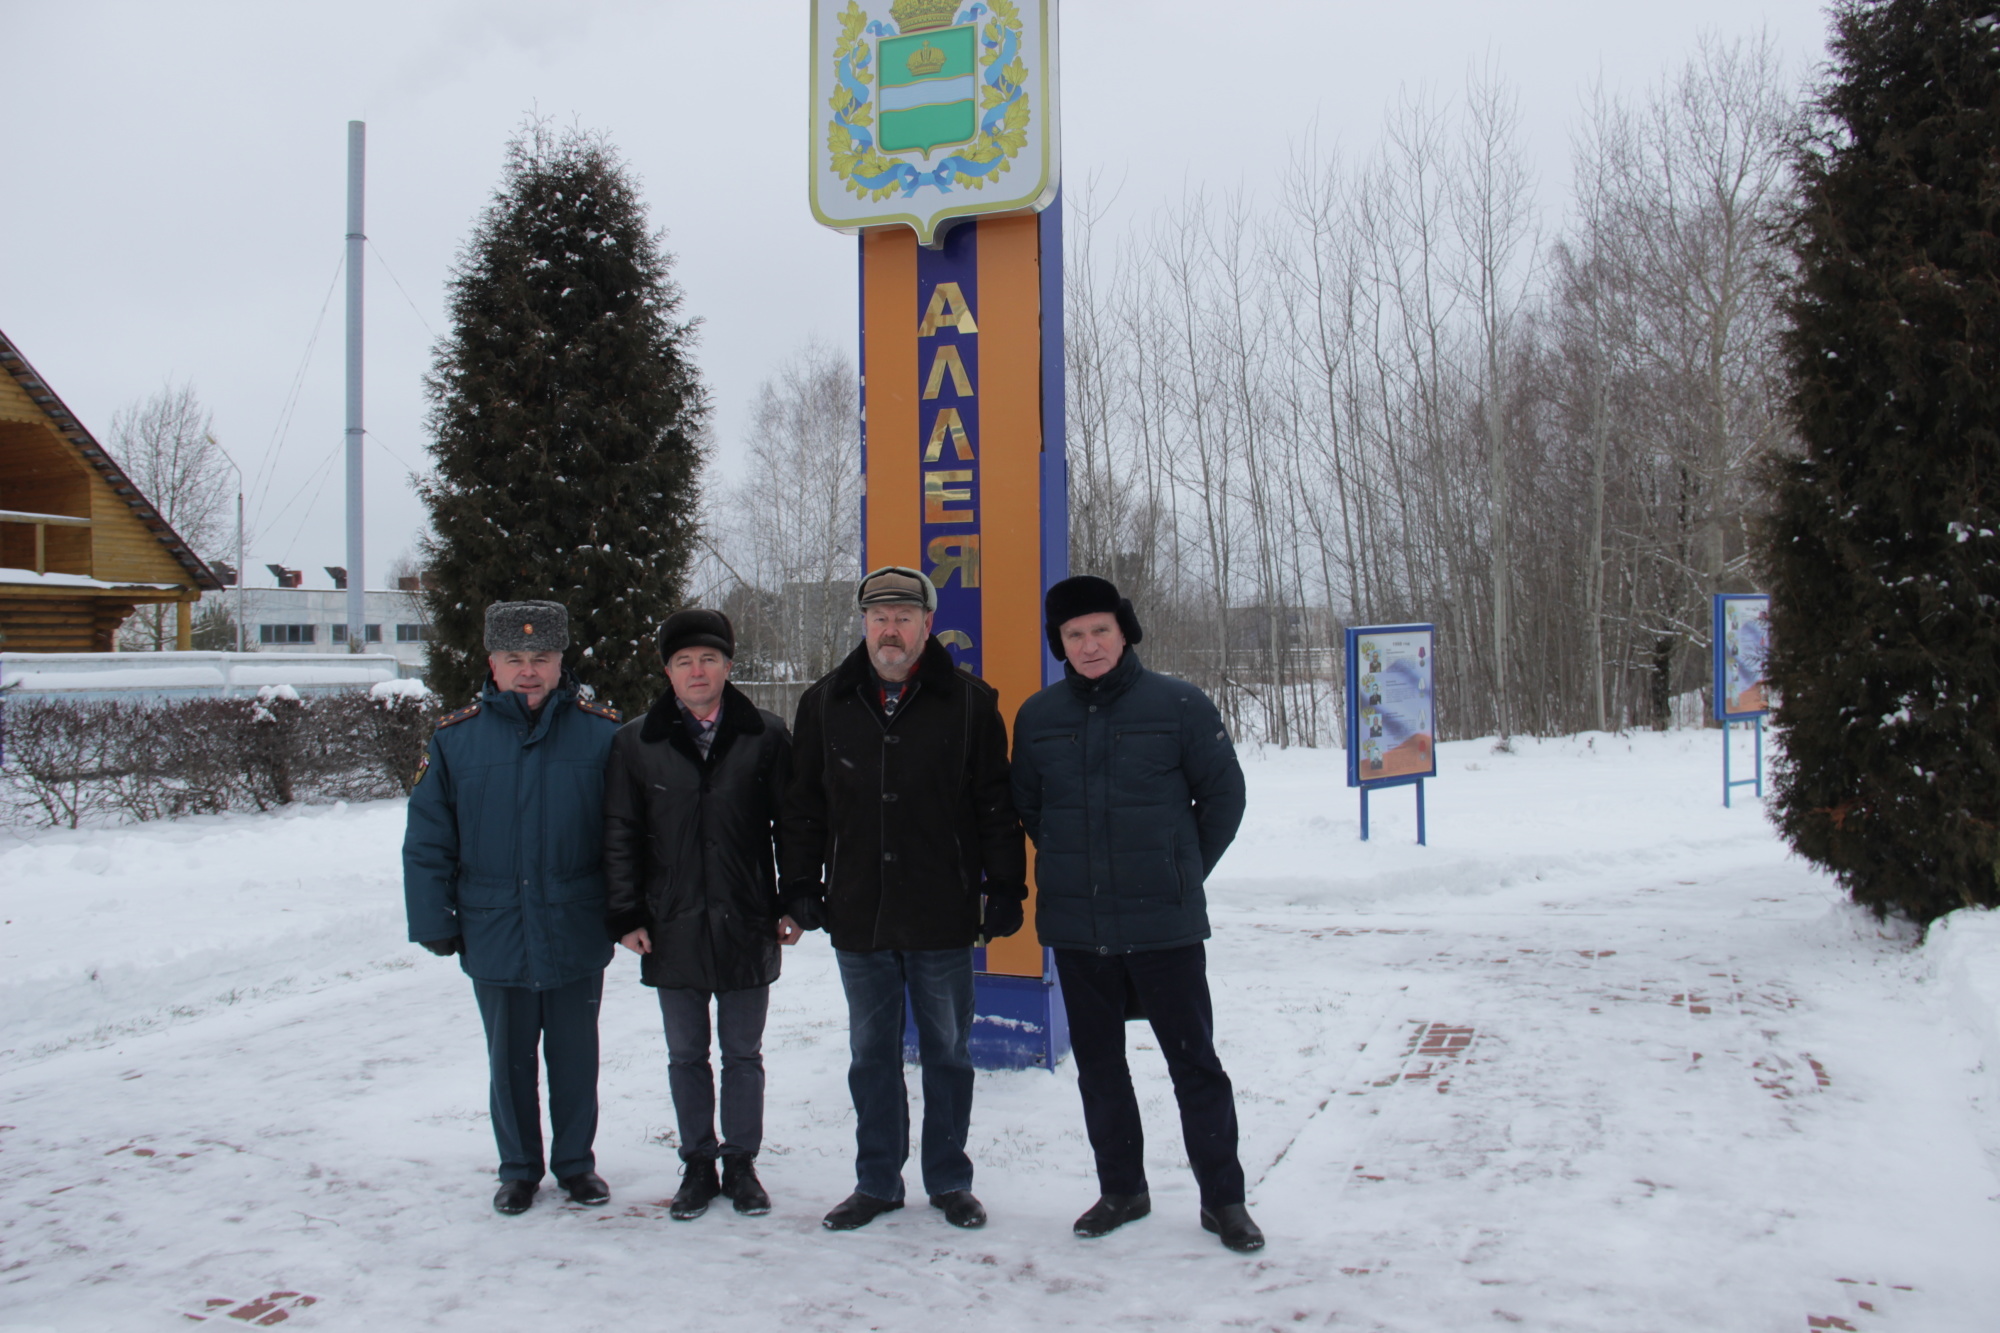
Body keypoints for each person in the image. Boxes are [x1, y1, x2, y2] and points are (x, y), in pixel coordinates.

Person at [1009, 575, 1263, 1253]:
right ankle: (1122, 1188)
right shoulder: (1038, 717)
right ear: (1058, 643)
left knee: (1194, 1065)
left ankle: (1224, 1198)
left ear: (1124, 632)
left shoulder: (1179, 704)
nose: (1089, 645)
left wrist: (1178, 871)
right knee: (1100, 1066)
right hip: (1078, 929)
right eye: (1073, 634)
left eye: (1100, 630)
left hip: (1164, 926)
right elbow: (1032, 810)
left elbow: (1224, 800)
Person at [779, 565, 1027, 1232]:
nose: (890, 628)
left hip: (943, 914)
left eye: (904, 615)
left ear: (926, 624)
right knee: (872, 1055)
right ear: (864, 623)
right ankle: (877, 1181)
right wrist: (802, 884)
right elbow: (802, 808)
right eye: (879, 616)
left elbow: (994, 809)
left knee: (947, 1050)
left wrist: (1004, 886)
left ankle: (949, 1179)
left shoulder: (972, 703)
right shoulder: (825, 702)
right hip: (859, 912)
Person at [403, 601, 624, 1216]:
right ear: (492, 664)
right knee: (509, 1060)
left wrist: (629, 909)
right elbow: (427, 840)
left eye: (542, 659)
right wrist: (434, 921)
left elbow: (627, 834)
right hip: (493, 925)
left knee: (576, 1057)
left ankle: (577, 1165)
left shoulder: (603, 734)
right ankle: (519, 1169)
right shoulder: (455, 741)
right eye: (515, 659)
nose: (529, 671)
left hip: (575, 923)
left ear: (561, 663)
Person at [603, 609, 797, 1221]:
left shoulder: (765, 735)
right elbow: (619, 833)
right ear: (667, 670)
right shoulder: (636, 742)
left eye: (709, 659)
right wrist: (626, 913)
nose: (697, 670)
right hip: (672, 925)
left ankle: (740, 1163)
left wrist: (793, 900)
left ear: (729, 666)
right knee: (686, 1053)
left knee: (743, 1053)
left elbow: (793, 826)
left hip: (746, 921)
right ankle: (697, 1162)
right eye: (684, 661)